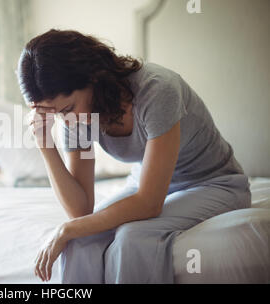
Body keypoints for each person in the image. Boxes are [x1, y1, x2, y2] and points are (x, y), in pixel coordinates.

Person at [17, 29, 251, 283]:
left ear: (92, 77)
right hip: (149, 184)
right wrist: (44, 143)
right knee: (78, 242)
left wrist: (66, 229)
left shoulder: (157, 90)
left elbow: (150, 203)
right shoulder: (76, 118)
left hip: (214, 183)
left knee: (133, 237)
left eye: (68, 109)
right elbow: (81, 209)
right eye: (57, 114)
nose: (66, 121)